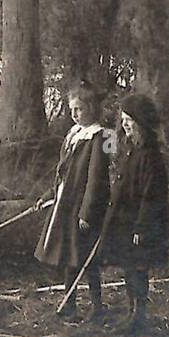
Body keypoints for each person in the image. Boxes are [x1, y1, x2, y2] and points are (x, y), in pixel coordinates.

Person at [34, 81, 111, 323]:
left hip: (82, 208)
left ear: (91, 108)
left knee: (88, 258)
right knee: (69, 255)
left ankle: (97, 306)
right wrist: (49, 195)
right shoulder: (74, 134)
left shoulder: (100, 136)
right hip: (66, 205)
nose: (74, 114)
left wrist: (87, 212)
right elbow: (63, 173)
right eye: (72, 109)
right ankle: (69, 303)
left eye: (79, 109)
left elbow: (96, 179)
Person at [101, 92, 169, 336]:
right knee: (129, 269)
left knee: (138, 270)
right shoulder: (131, 151)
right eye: (124, 119)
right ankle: (132, 313)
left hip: (141, 226)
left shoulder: (151, 158)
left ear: (142, 123)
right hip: (126, 223)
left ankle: (139, 317)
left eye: (131, 119)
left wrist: (142, 227)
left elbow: (152, 197)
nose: (125, 124)